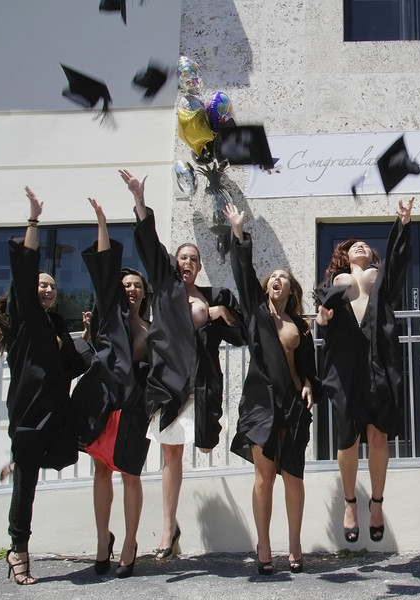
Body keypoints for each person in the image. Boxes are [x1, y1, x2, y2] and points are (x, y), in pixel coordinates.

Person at [119, 169, 243, 559]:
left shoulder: (215, 294)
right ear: (176, 263)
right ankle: (167, 529)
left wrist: (222, 312)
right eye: (182, 257)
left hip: (203, 385)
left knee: (205, 448)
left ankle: (172, 524)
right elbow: (149, 247)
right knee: (170, 454)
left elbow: (241, 336)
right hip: (170, 384)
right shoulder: (166, 288)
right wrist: (140, 203)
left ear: (201, 266)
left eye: (194, 259)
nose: (187, 262)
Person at [0, 187, 90, 585]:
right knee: (26, 489)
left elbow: (72, 366)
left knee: (68, 452)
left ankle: (20, 463)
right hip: (30, 412)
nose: (46, 289)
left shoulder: (55, 326)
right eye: (40, 284)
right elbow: (25, 269)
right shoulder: (26, 318)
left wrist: (86, 335)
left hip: (57, 411)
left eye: (51, 285)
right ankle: (18, 548)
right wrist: (34, 221)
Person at [225, 203, 319, 575]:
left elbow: (309, 369)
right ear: (266, 287)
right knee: (264, 478)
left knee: (294, 476)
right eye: (272, 276)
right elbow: (243, 273)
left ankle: (294, 544)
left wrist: (310, 385)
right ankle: (264, 545)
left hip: (294, 406)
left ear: (291, 289)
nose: (277, 280)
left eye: (283, 276)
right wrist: (238, 233)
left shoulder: (301, 325)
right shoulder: (256, 314)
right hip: (262, 405)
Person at [314, 198, 414, 545]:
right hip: (345, 362)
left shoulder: (379, 278)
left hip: (378, 358)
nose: (360, 246)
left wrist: (401, 224)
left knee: (378, 436)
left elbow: (398, 262)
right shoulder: (336, 280)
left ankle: (377, 502)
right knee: (348, 438)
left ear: (373, 258)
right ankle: (350, 502)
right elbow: (323, 309)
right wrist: (322, 317)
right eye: (353, 245)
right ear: (344, 256)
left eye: (366, 247)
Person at [72, 197, 152, 578]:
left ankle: (130, 543)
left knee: (130, 474)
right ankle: (102, 540)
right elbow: (104, 269)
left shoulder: (152, 332)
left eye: (137, 285)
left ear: (144, 293)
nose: (131, 289)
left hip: (132, 408)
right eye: (126, 284)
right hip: (104, 404)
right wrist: (103, 223)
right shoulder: (110, 317)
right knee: (101, 473)